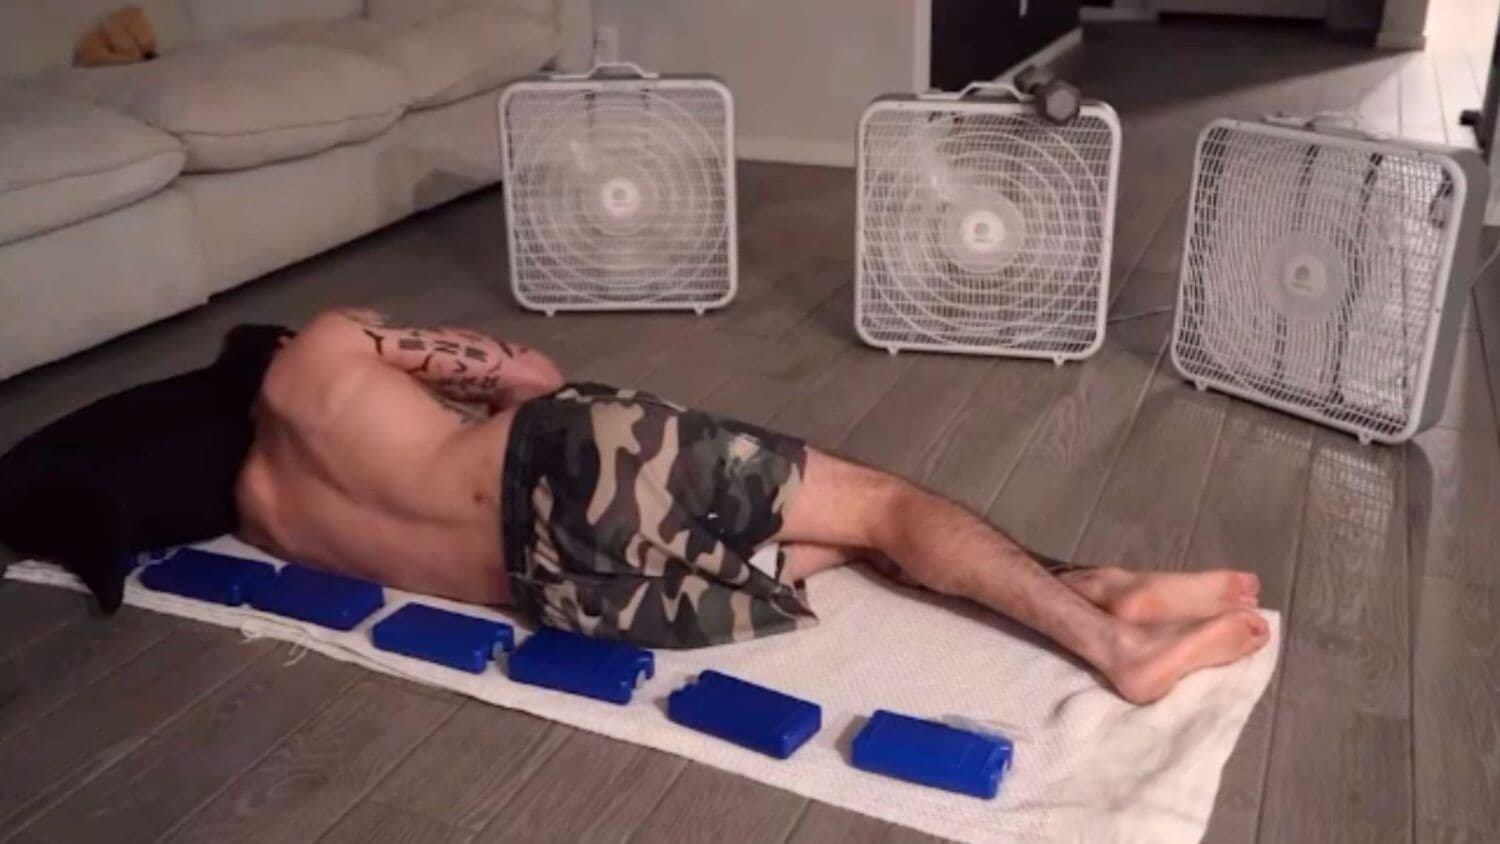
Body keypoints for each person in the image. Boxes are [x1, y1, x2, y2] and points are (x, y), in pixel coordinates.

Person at [236, 308, 1270, 705]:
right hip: (569, 458)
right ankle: (1111, 641)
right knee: (884, 505)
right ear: (276, 346)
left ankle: (1096, 583)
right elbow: (537, 376)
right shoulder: (329, 345)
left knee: (830, 537)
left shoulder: (258, 514)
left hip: (569, 598)